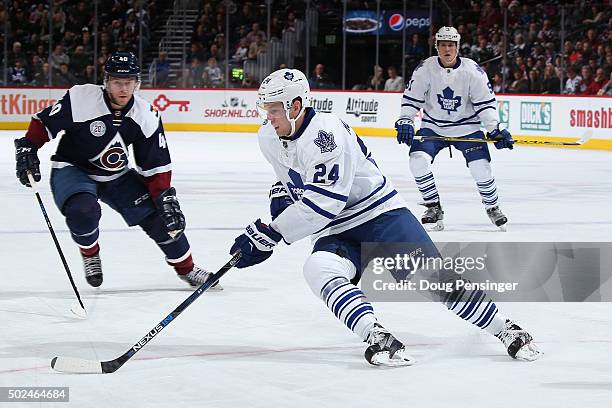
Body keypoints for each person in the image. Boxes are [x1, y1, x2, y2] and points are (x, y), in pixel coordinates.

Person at [226, 68, 541, 366]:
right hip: (335, 229)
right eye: (266, 110)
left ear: (295, 105)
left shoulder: (326, 134)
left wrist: (272, 232)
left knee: (433, 279)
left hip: (380, 213)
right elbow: (292, 174)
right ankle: (377, 336)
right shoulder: (268, 136)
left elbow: (326, 202)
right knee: (318, 268)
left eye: (274, 110)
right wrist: (281, 192)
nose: (268, 117)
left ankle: (506, 328)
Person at [14, 52, 221, 290]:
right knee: (83, 211)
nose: (123, 89)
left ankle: (188, 269)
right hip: (73, 168)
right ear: (106, 81)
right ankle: (90, 253)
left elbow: (154, 165)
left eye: (129, 82)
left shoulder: (146, 115)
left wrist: (164, 198)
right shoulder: (82, 98)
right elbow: (45, 122)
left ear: (137, 83)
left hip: (117, 175)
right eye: (117, 82)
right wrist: (28, 146)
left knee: (162, 220)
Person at [395, 27, 514, 231]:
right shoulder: (425, 69)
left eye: (451, 45)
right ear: (436, 47)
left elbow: (485, 103)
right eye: (442, 45)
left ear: (457, 47)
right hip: (433, 127)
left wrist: (495, 129)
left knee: (481, 168)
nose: (447, 49)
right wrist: (406, 120)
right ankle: (433, 206)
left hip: (466, 128)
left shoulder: (472, 71)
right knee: (417, 161)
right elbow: (411, 98)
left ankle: (492, 207)